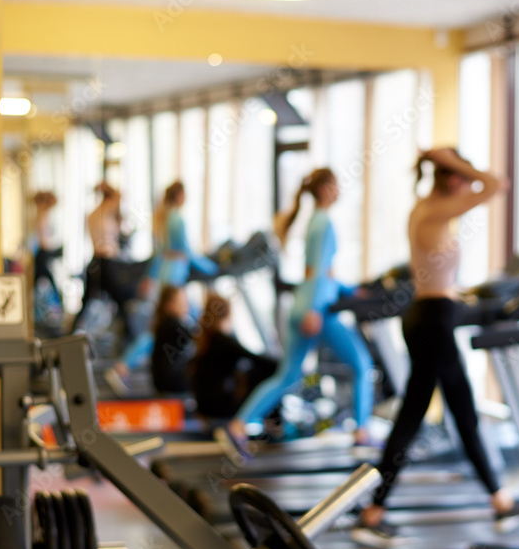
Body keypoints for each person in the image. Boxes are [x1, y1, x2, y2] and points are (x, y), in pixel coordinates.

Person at [352, 148, 519, 548]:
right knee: (446, 413)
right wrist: (447, 160)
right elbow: (497, 184)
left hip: (432, 314)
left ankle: (377, 511)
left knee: (426, 415)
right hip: (431, 320)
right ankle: (496, 500)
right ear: (452, 180)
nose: (468, 183)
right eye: (461, 177)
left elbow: (437, 272)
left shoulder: (429, 209)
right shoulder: (435, 209)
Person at [227, 168, 374, 446]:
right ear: (324, 190)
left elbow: (321, 273)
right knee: (362, 365)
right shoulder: (324, 222)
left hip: (304, 303)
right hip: (317, 308)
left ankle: (238, 424)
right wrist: (315, 310)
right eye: (335, 185)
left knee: (288, 376)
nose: (339, 190)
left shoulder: (314, 221)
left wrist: (352, 291)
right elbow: (319, 272)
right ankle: (362, 432)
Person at [105, 181, 218, 395]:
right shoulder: (176, 218)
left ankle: (128, 365)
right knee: (175, 327)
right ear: (179, 196)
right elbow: (187, 251)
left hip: (166, 274)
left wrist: (151, 277)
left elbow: (160, 254)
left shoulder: (163, 217)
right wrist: (212, 267)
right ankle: (124, 365)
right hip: (174, 277)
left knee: (167, 327)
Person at [191, 292, 278, 422]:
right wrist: (284, 365)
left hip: (203, 406)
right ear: (228, 314)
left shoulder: (204, 338)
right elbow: (256, 359)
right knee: (259, 373)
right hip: (220, 407)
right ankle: (270, 424)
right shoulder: (223, 340)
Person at [72, 182, 137, 341]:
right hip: (107, 263)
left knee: (87, 302)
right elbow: (120, 195)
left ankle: (70, 332)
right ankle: (131, 337)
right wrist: (108, 187)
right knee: (122, 300)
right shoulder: (107, 209)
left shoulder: (93, 214)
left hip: (95, 262)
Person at [150, 284, 195, 394]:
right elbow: (194, 335)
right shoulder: (171, 325)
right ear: (169, 305)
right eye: (181, 302)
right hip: (171, 383)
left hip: (164, 382)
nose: (186, 305)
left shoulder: (165, 324)